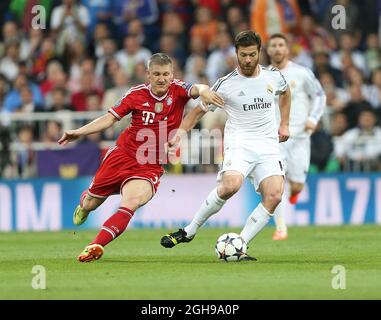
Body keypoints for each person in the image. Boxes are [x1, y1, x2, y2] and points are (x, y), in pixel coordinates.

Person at [58, 53, 223, 262]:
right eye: (156, 74)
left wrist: (205, 91)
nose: (162, 79)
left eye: (166, 74)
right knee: (91, 203)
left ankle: (95, 245)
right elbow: (109, 119)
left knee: (131, 202)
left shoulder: (179, 90)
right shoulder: (135, 94)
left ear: (172, 75)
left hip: (148, 166)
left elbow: (198, 88)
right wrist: (78, 132)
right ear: (148, 75)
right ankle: (84, 205)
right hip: (122, 157)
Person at [160, 31, 291, 261]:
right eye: (243, 55)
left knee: (275, 195)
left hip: (268, 145)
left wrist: (285, 124)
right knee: (231, 185)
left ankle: (239, 246)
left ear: (259, 52)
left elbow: (286, 91)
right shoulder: (226, 84)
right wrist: (179, 134)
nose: (248, 60)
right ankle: (189, 231)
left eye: (252, 54)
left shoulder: (273, 77)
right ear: (236, 54)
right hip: (240, 142)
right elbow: (199, 110)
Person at [267, 33, 326, 240]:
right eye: (273, 45)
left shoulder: (301, 73)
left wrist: (314, 118)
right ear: (267, 50)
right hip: (274, 140)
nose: (277, 49)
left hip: (300, 136)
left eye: (281, 45)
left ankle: (295, 192)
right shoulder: (264, 76)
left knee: (298, 184)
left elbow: (319, 95)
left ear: (287, 48)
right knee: (277, 183)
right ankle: (281, 227)